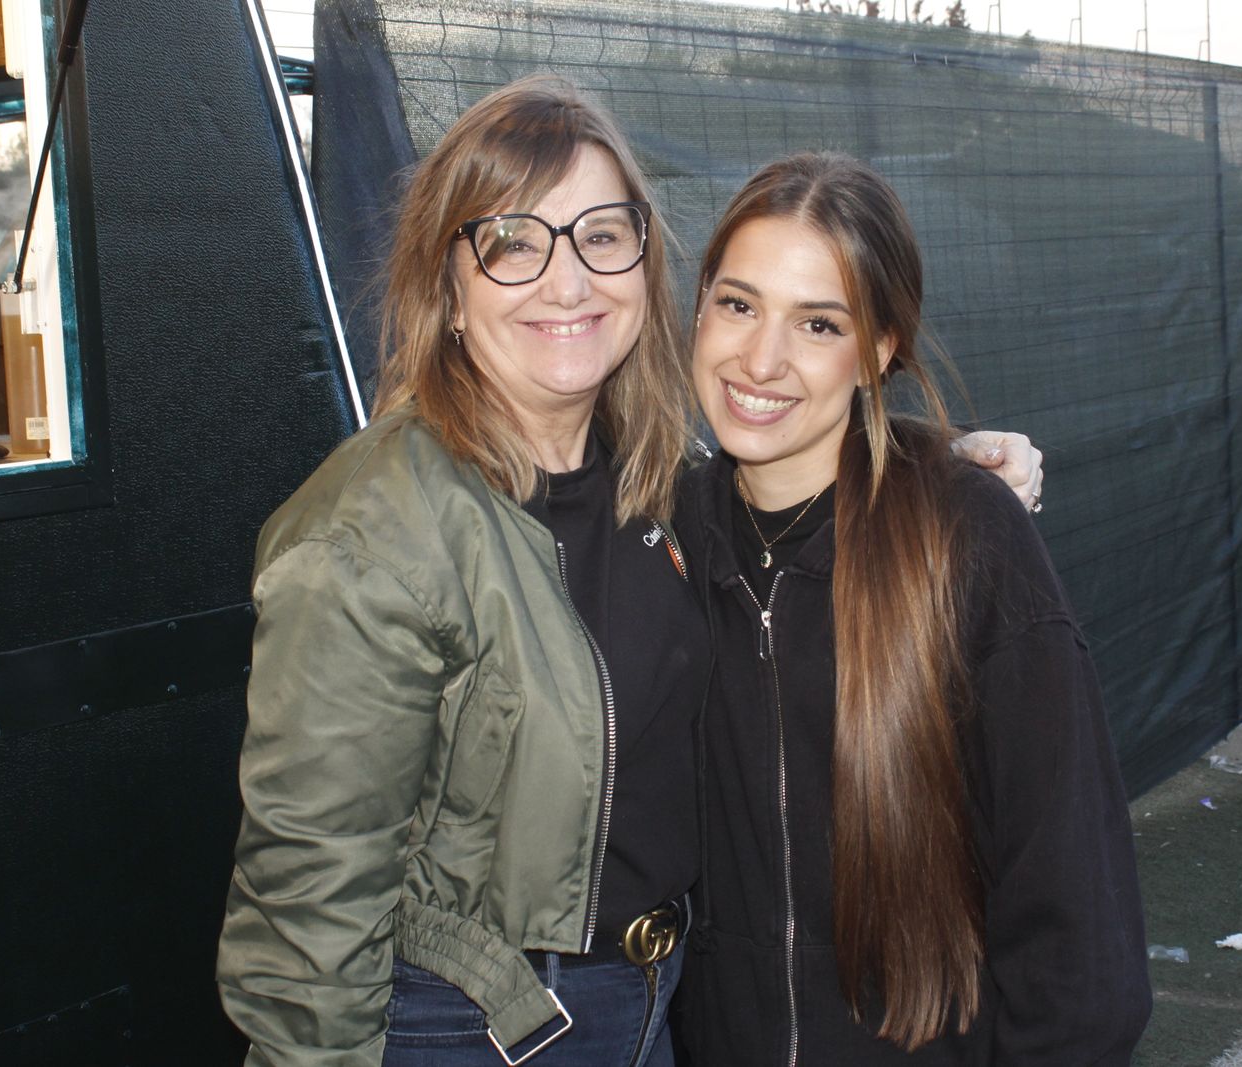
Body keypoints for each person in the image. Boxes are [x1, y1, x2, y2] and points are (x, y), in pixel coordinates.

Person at [216, 77, 1040, 1067]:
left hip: (659, 1008)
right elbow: (307, 905)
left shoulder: (654, 485)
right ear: (448, 289)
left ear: (643, 263)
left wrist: (930, 471)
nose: (566, 282)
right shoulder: (370, 532)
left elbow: (792, 482)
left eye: (600, 235)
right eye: (512, 241)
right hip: (474, 1027)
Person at [675, 152, 1151, 1066]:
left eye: (819, 323)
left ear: (880, 348)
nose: (761, 359)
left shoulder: (967, 537)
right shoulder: (661, 537)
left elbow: (1075, 924)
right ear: (699, 309)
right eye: (738, 304)